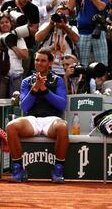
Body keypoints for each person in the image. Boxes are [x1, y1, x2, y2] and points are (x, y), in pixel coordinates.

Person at [6, 48, 68, 183]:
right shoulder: (26, 81)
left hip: (52, 119)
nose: (39, 63)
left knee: (63, 127)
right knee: (11, 127)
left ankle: (58, 169)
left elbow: (62, 105)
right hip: (32, 119)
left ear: (50, 63)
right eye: (37, 60)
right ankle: (18, 168)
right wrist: (35, 89)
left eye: (43, 61)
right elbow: (24, 106)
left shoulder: (58, 80)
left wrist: (44, 90)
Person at [67, 0, 109, 67]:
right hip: (82, 32)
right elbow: (69, 6)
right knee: (82, 65)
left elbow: (101, 7)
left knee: (101, 65)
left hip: (98, 32)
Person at [35, 5, 79, 76]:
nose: (61, 17)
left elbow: (76, 39)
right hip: (47, 66)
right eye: (59, 14)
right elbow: (37, 38)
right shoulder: (46, 25)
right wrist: (50, 24)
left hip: (65, 67)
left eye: (64, 15)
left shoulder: (72, 28)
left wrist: (64, 27)